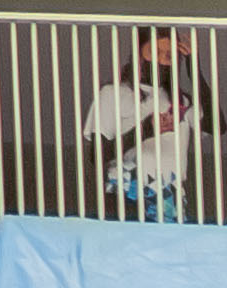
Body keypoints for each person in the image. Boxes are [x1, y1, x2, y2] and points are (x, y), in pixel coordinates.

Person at [82, 26, 197, 225]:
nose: (162, 60)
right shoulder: (113, 93)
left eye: (169, 56)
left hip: (171, 197)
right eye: (155, 52)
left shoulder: (182, 101)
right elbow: (98, 155)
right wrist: (147, 128)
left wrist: (195, 65)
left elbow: (218, 126)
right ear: (139, 54)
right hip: (127, 192)